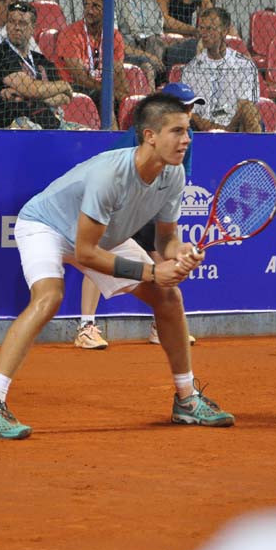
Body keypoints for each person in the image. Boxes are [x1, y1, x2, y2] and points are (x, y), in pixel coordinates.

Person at [0, 92, 234, 439]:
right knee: (49, 297)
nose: (186, 139)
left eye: (187, 131)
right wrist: (153, 272)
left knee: (168, 298)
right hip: (46, 225)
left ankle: (187, 400)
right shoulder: (111, 175)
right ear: (150, 136)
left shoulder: (174, 175)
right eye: (177, 131)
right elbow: (85, 253)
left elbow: (165, 239)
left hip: (101, 235)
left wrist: (180, 251)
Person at [74, 81, 202, 351]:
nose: (189, 112)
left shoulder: (187, 138)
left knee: (161, 255)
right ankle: (86, 327)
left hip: (149, 202)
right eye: (184, 107)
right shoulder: (145, 136)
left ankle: (161, 325)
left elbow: (175, 180)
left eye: (191, 107)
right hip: (118, 202)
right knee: (100, 252)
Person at [115, 0, 197, 87]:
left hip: (158, 54)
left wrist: (181, 42)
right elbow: (115, 45)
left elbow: (158, 36)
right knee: (147, 63)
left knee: (196, 45)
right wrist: (148, 56)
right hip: (131, 56)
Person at [0, 1, 71, 129]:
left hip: (50, 122)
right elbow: (31, 89)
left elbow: (65, 97)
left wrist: (30, 96)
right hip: (15, 124)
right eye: (12, 22)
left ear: (32, 28)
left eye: (22, 23)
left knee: (85, 131)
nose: (16, 27)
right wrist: (63, 85)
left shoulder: (40, 59)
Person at [180, 7, 262, 132]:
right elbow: (192, 112)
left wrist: (227, 127)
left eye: (210, 29)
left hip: (235, 124)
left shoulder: (245, 65)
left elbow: (247, 105)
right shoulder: (190, 69)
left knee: (249, 109)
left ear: (224, 31)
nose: (204, 33)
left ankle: (255, 145)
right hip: (203, 125)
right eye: (202, 28)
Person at [55, 0, 129, 115]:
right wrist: (110, 91)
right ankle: (110, 129)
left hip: (102, 89)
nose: (89, 11)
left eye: (95, 6)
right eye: (86, 5)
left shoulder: (114, 36)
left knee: (128, 101)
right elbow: (79, 77)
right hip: (76, 89)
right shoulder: (70, 34)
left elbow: (118, 72)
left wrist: (126, 97)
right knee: (106, 97)